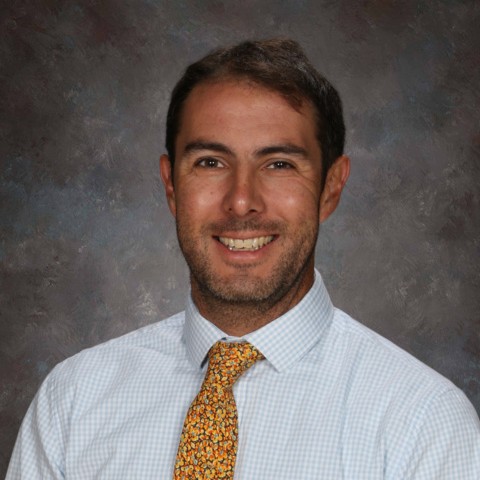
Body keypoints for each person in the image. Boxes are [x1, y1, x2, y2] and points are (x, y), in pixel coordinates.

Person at [7, 38, 480, 479]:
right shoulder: (73, 400)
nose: (240, 201)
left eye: (279, 164)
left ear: (331, 188)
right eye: (210, 162)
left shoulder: (422, 421)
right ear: (171, 185)